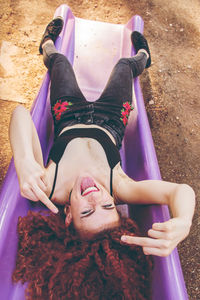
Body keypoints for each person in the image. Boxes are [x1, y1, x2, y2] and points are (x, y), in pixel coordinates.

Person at [9, 17, 195, 257]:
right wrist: (183, 222)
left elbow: (20, 114)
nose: (94, 197)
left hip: (68, 113)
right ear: (116, 206)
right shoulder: (120, 188)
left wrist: (24, 162)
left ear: (68, 215)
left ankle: (47, 43)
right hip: (112, 117)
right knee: (124, 66)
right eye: (107, 206)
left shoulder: (49, 187)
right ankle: (143, 56)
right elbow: (179, 191)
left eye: (86, 212)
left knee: (59, 61)